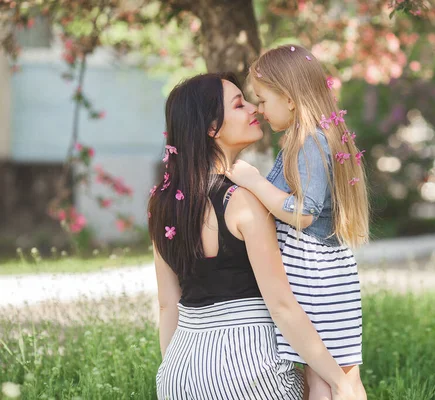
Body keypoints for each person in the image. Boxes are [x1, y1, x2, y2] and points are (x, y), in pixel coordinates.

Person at [148, 72, 355, 400]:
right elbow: (281, 306)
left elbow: (167, 304)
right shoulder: (243, 201)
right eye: (239, 104)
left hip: (179, 372)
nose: (252, 110)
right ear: (212, 128)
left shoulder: (160, 203)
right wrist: (340, 380)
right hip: (248, 368)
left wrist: (177, 372)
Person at [226, 45, 370, 400]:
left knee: (325, 376)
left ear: (289, 99)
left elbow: (303, 212)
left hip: (313, 275)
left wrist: (255, 181)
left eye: (262, 99)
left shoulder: (310, 142)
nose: (258, 109)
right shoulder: (312, 140)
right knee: (338, 375)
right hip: (327, 273)